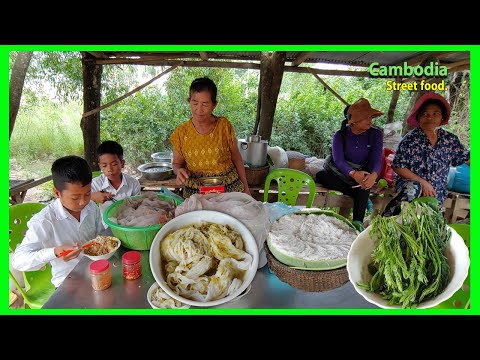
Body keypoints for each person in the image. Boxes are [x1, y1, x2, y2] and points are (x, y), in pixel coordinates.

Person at [11, 155, 105, 288]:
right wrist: (55, 252)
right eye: (75, 197)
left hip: (97, 270)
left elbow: (100, 235)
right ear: (57, 192)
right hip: (68, 281)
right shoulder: (44, 221)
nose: (83, 201)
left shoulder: (91, 207)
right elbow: (18, 260)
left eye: (88, 193)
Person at [382, 92, 470, 217]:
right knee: (414, 188)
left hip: (436, 192)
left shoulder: (450, 140)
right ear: (418, 118)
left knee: (424, 228)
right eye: (425, 114)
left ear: (442, 117)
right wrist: (422, 183)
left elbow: (463, 158)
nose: (430, 117)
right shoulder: (410, 140)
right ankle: (386, 219)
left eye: (435, 113)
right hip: (410, 187)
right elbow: (397, 166)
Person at [169, 77, 250, 197]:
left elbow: (236, 157)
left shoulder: (224, 126)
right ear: (189, 101)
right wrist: (179, 171)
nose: (199, 109)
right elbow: (176, 164)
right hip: (196, 193)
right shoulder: (181, 133)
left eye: (205, 104)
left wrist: (245, 187)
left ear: (214, 105)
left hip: (229, 190)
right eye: (195, 103)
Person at [315, 98, 384, 225]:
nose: (370, 120)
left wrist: (373, 175)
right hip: (342, 173)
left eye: (371, 117)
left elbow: (376, 158)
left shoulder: (376, 134)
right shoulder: (339, 135)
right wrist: (353, 174)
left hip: (363, 173)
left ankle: (357, 223)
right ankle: (356, 192)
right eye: (366, 117)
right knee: (321, 176)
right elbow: (339, 160)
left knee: (364, 184)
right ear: (354, 122)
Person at [90, 140, 141, 226]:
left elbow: (139, 205)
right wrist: (93, 196)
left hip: (129, 225)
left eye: (114, 164)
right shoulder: (96, 183)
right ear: (100, 166)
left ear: (122, 163)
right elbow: (80, 200)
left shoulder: (133, 183)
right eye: (104, 165)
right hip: (106, 226)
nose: (109, 169)